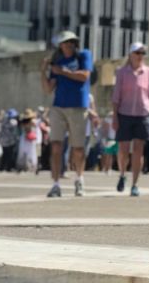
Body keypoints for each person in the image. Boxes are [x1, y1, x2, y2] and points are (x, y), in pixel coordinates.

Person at [40, 30, 94, 197]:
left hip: (78, 106)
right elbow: (49, 89)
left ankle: (79, 179)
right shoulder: (58, 61)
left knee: (78, 148)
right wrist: (43, 71)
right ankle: (55, 184)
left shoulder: (83, 56)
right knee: (56, 145)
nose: (69, 45)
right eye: (66, 42)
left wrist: (62, 71)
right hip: (58, 107)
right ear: (61, 45)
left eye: (72, 42)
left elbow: (84, 76)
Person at [112, 41, 149, 196]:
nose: (140, 56)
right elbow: (116, 97)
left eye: (142, 53)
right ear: (130, 55)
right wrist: (115, 117)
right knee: (123, 150)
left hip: (143, 113)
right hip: (124, 113)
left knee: (139, 150)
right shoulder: (122, 72)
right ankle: (122, 174)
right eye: (137, 53)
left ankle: (135, 184)